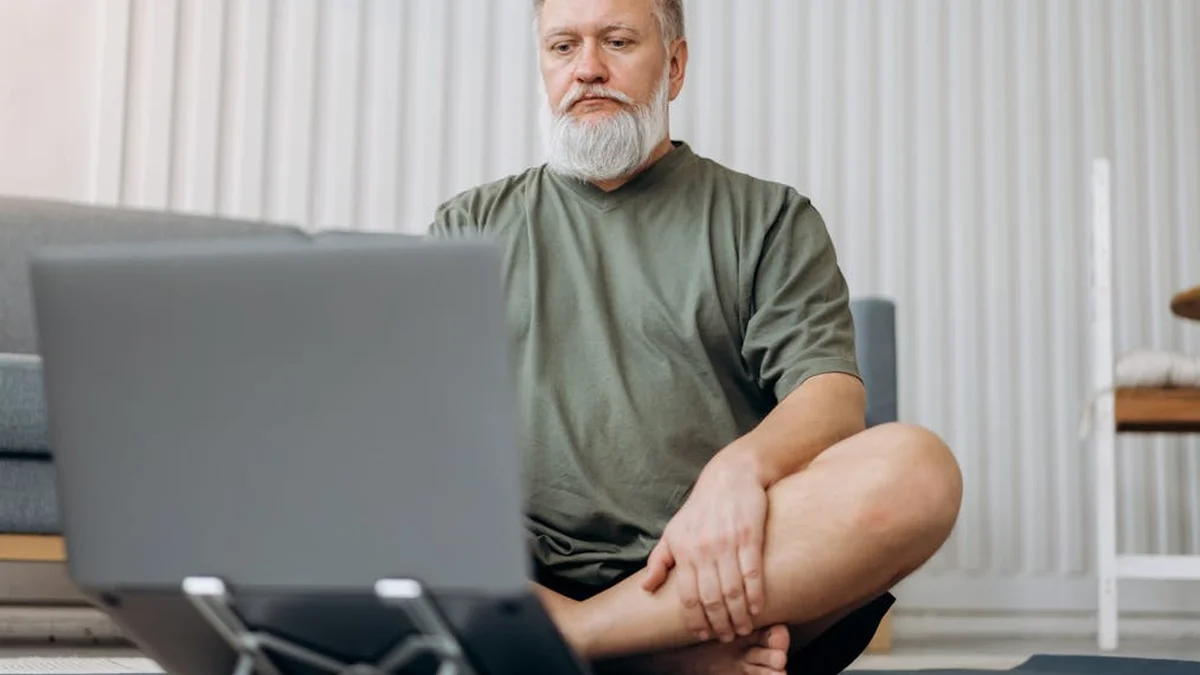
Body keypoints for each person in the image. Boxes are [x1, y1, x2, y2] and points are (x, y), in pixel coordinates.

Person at [427, 0, 963, 673]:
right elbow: (422, 431)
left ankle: (587, 640)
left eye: (617, 41)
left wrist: (737, 471)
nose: (587, 68)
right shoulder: (469, 224)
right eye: (563, 47)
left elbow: (830, 397)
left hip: (712, 567)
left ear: (675, 67)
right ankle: (666, 657)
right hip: (527, 578)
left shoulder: (769, 217)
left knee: (919, 471)